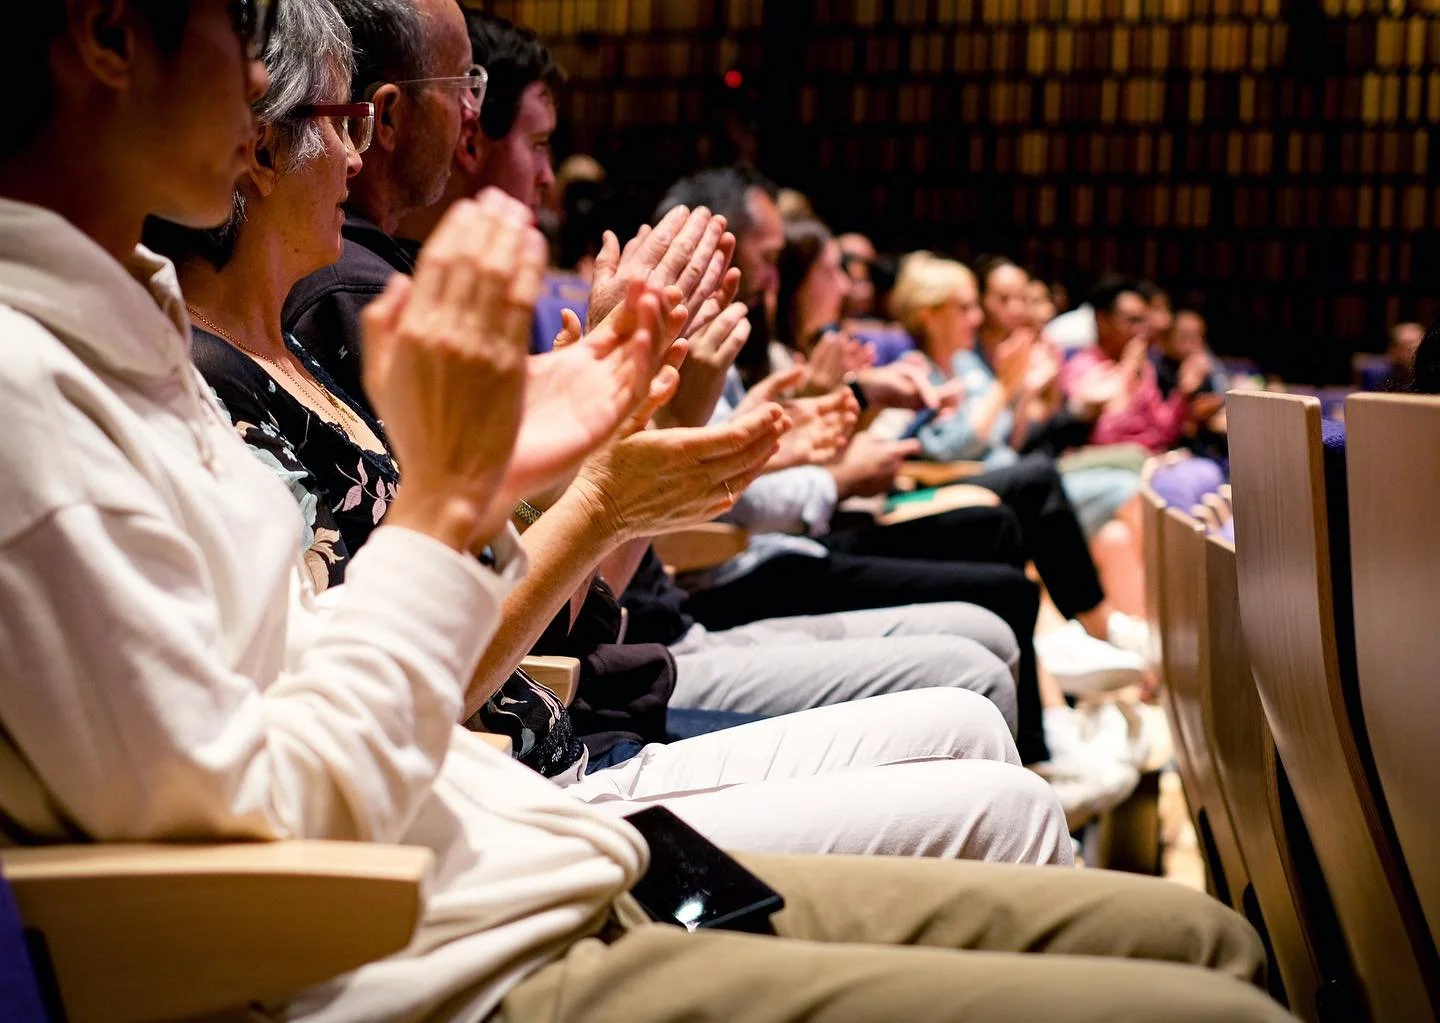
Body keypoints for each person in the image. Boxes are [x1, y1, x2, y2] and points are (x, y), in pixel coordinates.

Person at [0, 3, 1298, 1021]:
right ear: (110, 32)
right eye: (244, 27)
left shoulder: (131, 337)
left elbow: (356, 673)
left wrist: (565, 455)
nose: (320, 121)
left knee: (1204, 934)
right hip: (451, 942)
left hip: (519, 842)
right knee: (1195, 969)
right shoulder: (40, 392)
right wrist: (497, 494)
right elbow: (284, 809)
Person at [282, 0, 485, 409]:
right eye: (460, 83)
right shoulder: (359, 294)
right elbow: (475, 467)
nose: (471, 114)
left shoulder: (354, 266)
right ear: (388, 116)